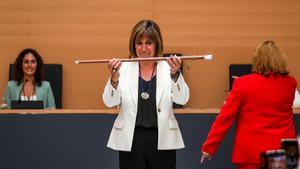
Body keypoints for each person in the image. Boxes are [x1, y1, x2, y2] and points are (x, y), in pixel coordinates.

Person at [102, 19, 189, 169]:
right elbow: (109, 102)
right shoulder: (123, 68)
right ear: (133, 45)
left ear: (157, 45)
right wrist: (114, 79)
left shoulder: (169, 68)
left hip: (163, 141)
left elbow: (183, 98)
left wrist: (175, 75)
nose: (143, 48)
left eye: (148, 43)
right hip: (131, 141)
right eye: (139, 43)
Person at [201, 40, 297, 169]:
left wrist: (209, 147)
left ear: (256, 60)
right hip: (283, 151)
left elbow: (225, 118)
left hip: (251, 153)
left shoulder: (242, 83)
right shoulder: (290, 83)